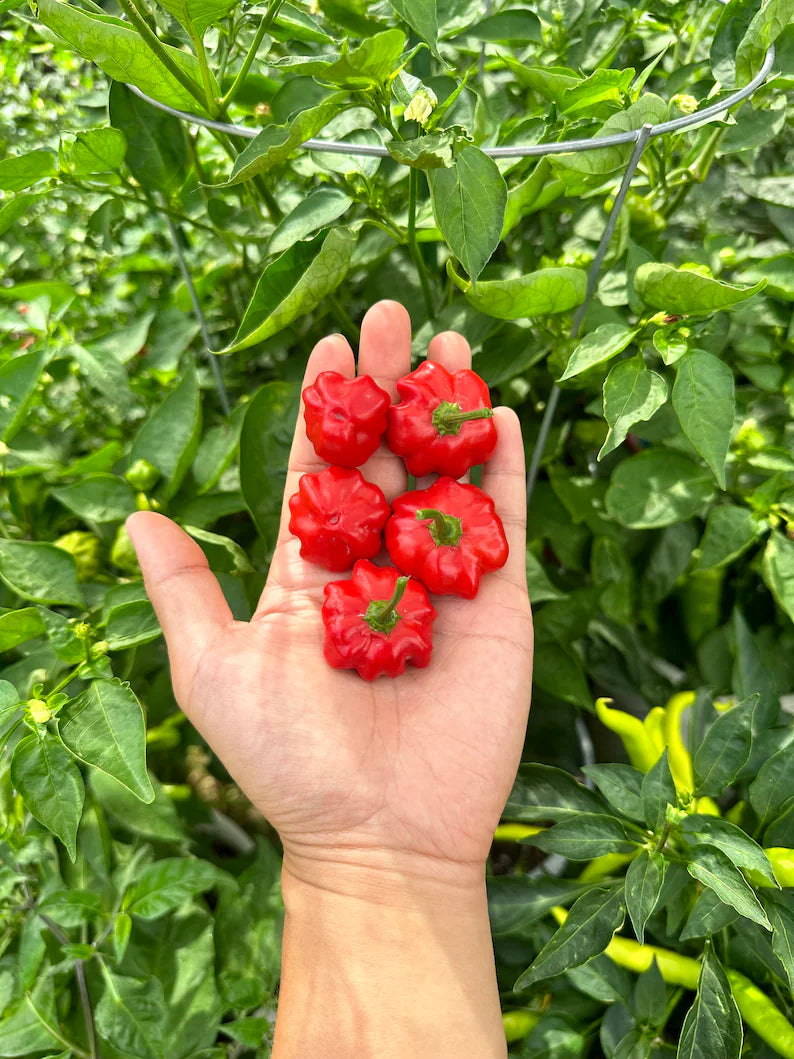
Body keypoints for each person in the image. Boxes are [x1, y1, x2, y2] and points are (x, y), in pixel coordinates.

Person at [126, 299, 534, 1058]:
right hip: (387, 592)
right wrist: (370, 855)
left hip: (393, 590)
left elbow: (437, 528)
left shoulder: (424, 520)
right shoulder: (414, 515)